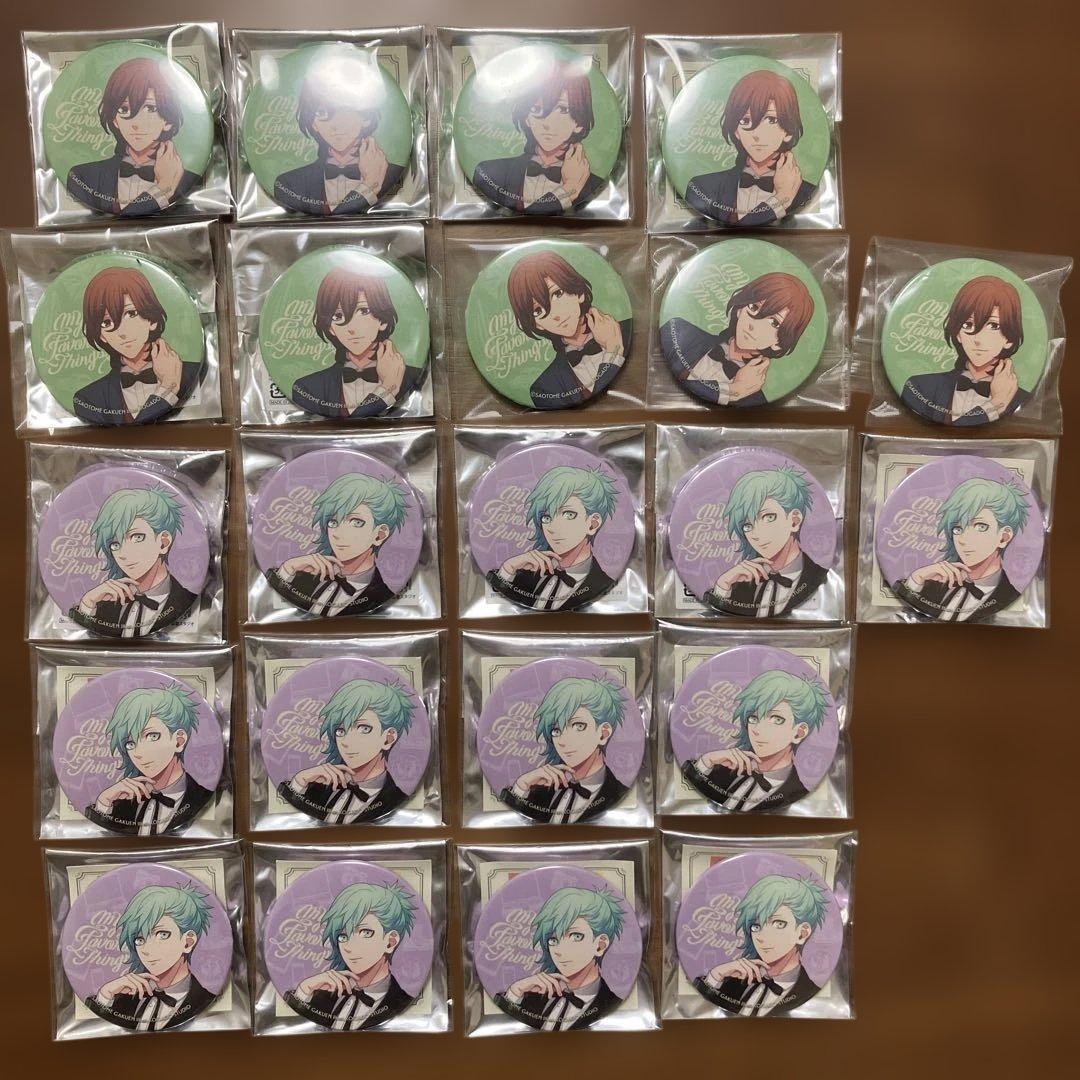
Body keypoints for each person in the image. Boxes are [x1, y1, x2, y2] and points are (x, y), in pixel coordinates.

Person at [67, 57, 202, 216]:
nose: (136, 124)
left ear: (168, 120)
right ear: (115, 120)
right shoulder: (82, 177)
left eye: (150, 108)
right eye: (124, 109)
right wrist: (162, 190)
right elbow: (109, 226)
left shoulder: (193, 183)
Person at [274, 54, 404, 215]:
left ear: (366, 118)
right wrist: (369, 186)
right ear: (313, 123)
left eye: (345, 111)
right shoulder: (289, 184)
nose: (335, 125)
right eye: (321, 113)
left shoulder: (395, 175)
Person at [471, 58, 605, 214]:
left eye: (563, 109)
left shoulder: (596, 187)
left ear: (579, 122)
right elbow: (522, 222)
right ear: (526, 118)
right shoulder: (489, 174)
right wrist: (569, 191)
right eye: (536, 109)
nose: (547, 123)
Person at [659, 272, 814, 407]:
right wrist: (734, 391)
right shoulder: (677, 331)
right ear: (740, 309)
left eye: (774, 322)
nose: (753, 325)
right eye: (753, 307)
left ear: (779, 344)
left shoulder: (755, 402)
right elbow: (662, 392)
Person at [684, 69, 816, 226]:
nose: (756, 134)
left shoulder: (809, 194)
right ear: (736, 131)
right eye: (745, 121)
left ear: (788, 130)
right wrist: (780, 200)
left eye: (771, 119)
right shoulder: (702, 188)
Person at [682, 670, 828, 811]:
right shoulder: (724, 769)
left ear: (799, 733)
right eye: (753, 718)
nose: (758, 729)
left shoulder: (799, 795)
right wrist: (706, 761)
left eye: (777, 719)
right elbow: (689, 799)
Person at [72, 266, 202, 425]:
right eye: (106, 322)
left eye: (131, 314)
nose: (122, 332)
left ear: (152, 319)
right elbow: (129, 436)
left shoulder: (194, 374)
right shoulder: (88, 399)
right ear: (101, 336)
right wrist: (168, 387)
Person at [267, 472, 408, 616]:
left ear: (380, 534)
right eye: (333, 522)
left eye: (356, 522)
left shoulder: (383, 597)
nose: (338, 534)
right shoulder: (303, 574)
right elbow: (268, 605)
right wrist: (287, 569)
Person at [891, 476, 1030, 622]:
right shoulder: (931, 583)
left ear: (1004, 537)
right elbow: (904, 615)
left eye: (981, 526)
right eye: (957, 528)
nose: (963, 539)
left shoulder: (1011, 598)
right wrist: (916, 579)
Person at [284, 881, 417, 1030]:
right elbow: (291, 1029)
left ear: (390, 942)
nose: (349, 947)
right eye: (343, 936)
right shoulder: (320, 995)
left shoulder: (404, 1004)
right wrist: (304, 990)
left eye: (365, 932)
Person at [279, 678, 415, 823]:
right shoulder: (316, 787)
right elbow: (290, 819)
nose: (346, 742)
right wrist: (299, 781)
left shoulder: (398, 801)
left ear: (388, 738)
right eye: (340, 730)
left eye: (364, 728)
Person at [505, 252, 629, 409]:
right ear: (537, 324)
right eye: (538, 311)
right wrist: (613, 349)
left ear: (579, 292)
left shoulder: (631, 332)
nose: (555, 315)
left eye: (557, 293)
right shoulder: (544, 388)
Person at [900, 276, 1030, 425]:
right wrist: (996, 406)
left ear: (1009, 338)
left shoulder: (1025, 402)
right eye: (968, 325)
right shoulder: (919, 387)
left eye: (993, 326)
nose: (978, 338)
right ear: (958, 334)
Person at [84, 883, 215, 1030]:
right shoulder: (122, 997)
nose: (147, 950)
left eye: (162, 934)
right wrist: (104, 995)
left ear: (188, 942)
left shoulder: (207, 1002)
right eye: (139, 939)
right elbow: (98, 1031)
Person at [692, 874, 827, 1016]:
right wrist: (715, 976)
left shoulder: (811, 995)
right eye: (756, 926)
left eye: (779, 924)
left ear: (802, 933)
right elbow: (701, 1011)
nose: (762, 937)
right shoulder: (734, 981)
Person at [70, 485, 197, 638]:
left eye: (137, 537)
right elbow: (80, 638)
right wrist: (87, 604)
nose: (123, 554)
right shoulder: (103, 603)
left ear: (163, 542)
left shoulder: (190, 602)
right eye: (115, 544)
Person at [290, 267, 416, 418]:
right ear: (330, 327)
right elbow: (340, 427)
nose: (352, 328)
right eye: (338, 316)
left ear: (382, 320)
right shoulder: (307, 388)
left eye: (363, 311)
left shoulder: (415, 379)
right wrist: (387, 390)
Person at [493, 886, 625, 1030]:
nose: (560, 951)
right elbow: (503, 1030)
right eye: (553, 940)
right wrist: (514, 992)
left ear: (600, 945)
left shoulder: (615, 1007)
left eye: (576, 936)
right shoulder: (531, 996)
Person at [85, 683, 211, 835]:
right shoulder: (120, 802)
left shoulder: (204, 799)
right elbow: (98, 837)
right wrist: (103, 803)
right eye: (130, 743)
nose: (138, 753)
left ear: (179, 741)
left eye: (152, 736)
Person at [490, 465, 619, 611]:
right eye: (546, 517)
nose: (552, 527)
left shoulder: (607, 587)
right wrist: (508, 569)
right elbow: (494, 605)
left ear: (593, 524)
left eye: (569, 514)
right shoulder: (524, 572)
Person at [500, 676, 628, 823]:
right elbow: (510, 825)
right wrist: (521, 786)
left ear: (603, 733)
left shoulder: (620, 795)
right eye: (556, 730)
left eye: (579, 726)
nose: (563, 741)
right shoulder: (540, 790)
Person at [704, 466, 827, 616]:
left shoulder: (824, 581)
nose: (756, 534)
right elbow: (713, 619)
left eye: (769, 517)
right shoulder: (738, 584)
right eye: (747, 525)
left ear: (794, 520)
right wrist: (722, 586)